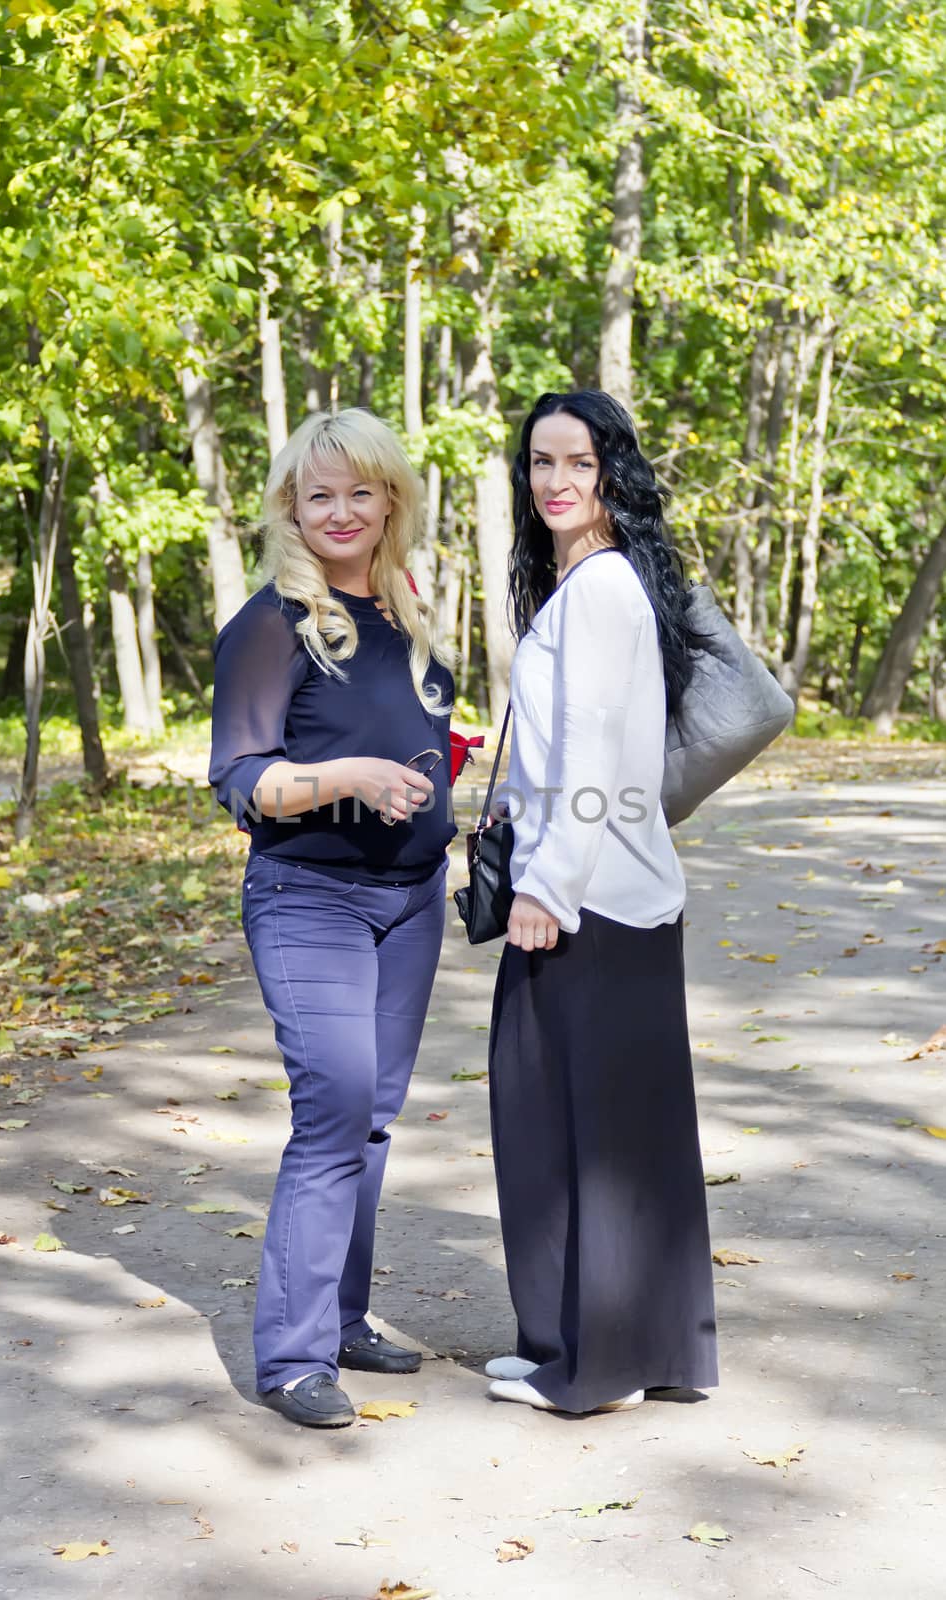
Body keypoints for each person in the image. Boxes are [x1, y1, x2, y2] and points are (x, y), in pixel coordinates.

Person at [209, 408, 456, 1429]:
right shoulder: (271, 623)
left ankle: (343, 1317)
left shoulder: (403, 614)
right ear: (291, 510)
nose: (341, 510)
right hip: (308, 897)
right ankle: (292, 1355)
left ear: (389, 497)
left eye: (360, 490)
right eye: (319, 495)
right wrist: (339, 777)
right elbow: (238, 778)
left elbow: (409, 747)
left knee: (375, 1115)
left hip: (412, 901)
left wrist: (445, 785)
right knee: (334, 1109)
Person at [484, 390, 719, 1414]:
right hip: (622, 893)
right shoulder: (600, 583)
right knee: (625, 1134)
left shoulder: (598, 588)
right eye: (537, 462)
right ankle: (633, 1349)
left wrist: (544, 883)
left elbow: (585, 753)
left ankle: (591, 1369)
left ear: (610, 470)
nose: (552, 481)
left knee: (560, 1129)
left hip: (585, 898)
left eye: (573, 461)